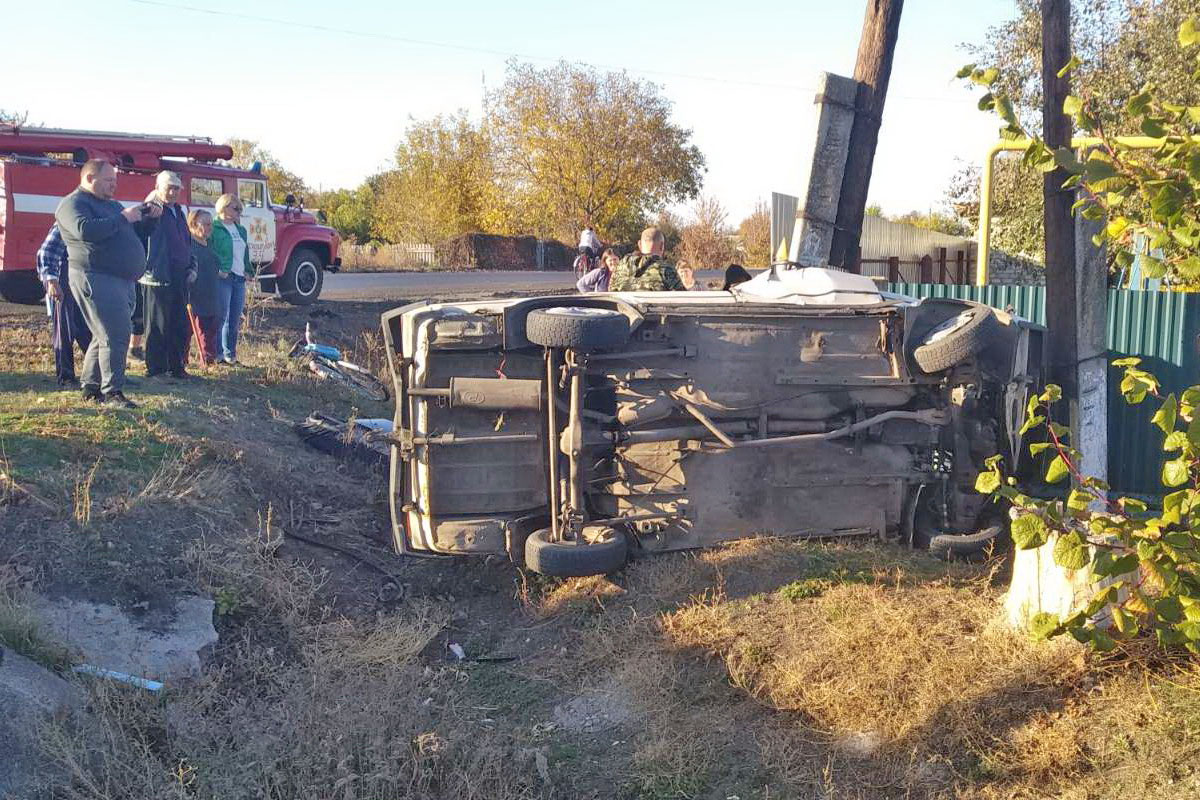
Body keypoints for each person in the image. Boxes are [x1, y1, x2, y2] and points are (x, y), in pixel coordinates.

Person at [54, 159, 159, 408]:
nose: (115, 185)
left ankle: (91, 387)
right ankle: (113, 393)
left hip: (121, 280)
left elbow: (134, 233)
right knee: (115, 334)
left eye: (115, 181)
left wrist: (149, 219)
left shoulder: (112, 206)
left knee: (103, 334)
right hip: (96, 276)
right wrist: (124, 218)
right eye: (109, 180)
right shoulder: (73, 204)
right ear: (90, 178)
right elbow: (85, 231)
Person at [139, 171, 195, 379]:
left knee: (178, 323)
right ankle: (156, 369)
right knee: (158, 325)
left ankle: (176, 366)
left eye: (176, 188)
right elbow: (142, 235)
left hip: (179, 274)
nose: (173, 192)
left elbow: (186, 243)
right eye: (169, 187)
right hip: (157, 275)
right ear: (158, 187)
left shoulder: (179, 211)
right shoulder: (151, 208)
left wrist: (191, 266)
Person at [35, 223, 92, 388]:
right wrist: (52, 281)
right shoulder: (67, 222)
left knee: (86, 327)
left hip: (81, 278)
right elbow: (46, 252)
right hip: (62, 280)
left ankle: (98, 371)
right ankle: (66, 377)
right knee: (64, 330)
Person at [210, 193, 252, 366]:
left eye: (240, 209)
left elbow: (245, 253)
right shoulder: (214, 227)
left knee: (234, 319)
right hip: (223, 277)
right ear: (224, 207)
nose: (239, 212)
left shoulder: (240, 229)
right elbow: (209, 250)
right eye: (236, 208)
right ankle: (217, 354)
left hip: (239, 277)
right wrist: (218, 269)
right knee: (220, 316)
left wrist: (248, 270)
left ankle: (231, 355)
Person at [187, 209, 222, 364]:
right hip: (194, 296)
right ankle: (181, 361)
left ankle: (208, 361)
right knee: (188, 331)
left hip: (211, 293)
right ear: (194, 224)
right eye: (206, 224)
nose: (209, 228)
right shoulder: (188, 244)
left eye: (211, 224)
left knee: (210, 329)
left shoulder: (210, 244)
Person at [608, 227, 685, 291]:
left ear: (639, 244)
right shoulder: (666, 270)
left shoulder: (620, 267)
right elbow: (682, 302)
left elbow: (610, 293)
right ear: (662, 246)